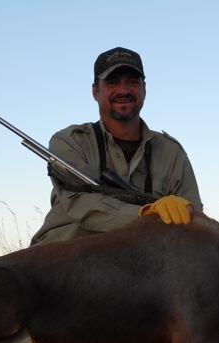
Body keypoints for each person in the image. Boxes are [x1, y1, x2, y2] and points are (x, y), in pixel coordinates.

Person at [31, 47, 202, 245]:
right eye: (112, 82)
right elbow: (78, 201)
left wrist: (186, 212)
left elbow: (194, 214)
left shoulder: (171, 151)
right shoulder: (69, 142)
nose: (124, 90)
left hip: (147, 257)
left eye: (132, 82)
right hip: (69, 255)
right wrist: (146, 215)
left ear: (144, 89)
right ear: (95, 91)